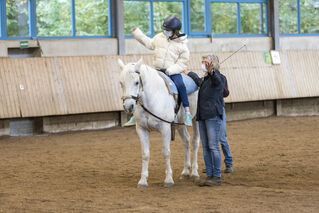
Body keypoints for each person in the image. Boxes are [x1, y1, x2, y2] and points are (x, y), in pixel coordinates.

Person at [124, 16, 193, 127]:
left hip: (172, 72)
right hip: (156, 70)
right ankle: (135, 114)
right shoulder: (159, 37)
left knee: (180, 85)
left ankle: (187, 113)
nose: (166, 32)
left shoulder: (182, 46)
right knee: (142, 86)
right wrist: (138, 34)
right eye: (165, 30)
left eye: (168, 30)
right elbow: (149, 43)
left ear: (175, 31)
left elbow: (182, 63)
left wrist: (170, 70)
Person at [186, 55, 226, 186]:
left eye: (206, 62)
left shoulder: (219, 77)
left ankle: (216, 176)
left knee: (213, 146)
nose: (203, 64)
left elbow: (218, 82)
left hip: (212, 116)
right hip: (202, 116)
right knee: (206, 147)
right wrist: (189, 73)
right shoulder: (205, 79)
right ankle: (209, 175)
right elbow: (198, 80)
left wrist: (212, 72)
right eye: (202, 62)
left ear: (212, 64)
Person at [201, 80, 234, 173]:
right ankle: (211, 166)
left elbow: (226, 93)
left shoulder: (220, 78)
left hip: (219, 109)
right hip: (209, 110)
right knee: (211, 140)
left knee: (222, 138)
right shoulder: (205, 79)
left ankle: (229, 163)